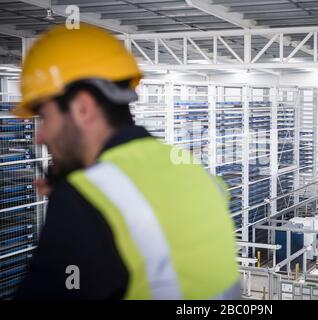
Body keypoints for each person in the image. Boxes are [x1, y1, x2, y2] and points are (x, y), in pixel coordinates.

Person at [13, 23, 240, 300]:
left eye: (45, 117)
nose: (40, 136)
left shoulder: (85, 199)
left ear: (82, 108)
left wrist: (79, 197)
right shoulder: (194, 171)